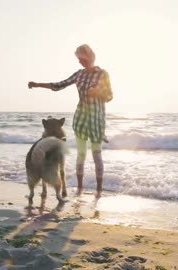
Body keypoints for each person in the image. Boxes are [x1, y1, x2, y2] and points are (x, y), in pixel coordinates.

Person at [28, 44, 113, 197]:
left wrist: (98, 92)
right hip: (80, 119)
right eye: (79, 60)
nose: (80, 62)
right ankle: (79, 189)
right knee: (81, 154)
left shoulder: (102, 74)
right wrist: (38, 84)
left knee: (96, 155)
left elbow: (109, 96)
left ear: (90, 57)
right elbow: (59, 85)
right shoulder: (78, 74)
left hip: (96, 121)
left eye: (82, 59)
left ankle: (99, 191)